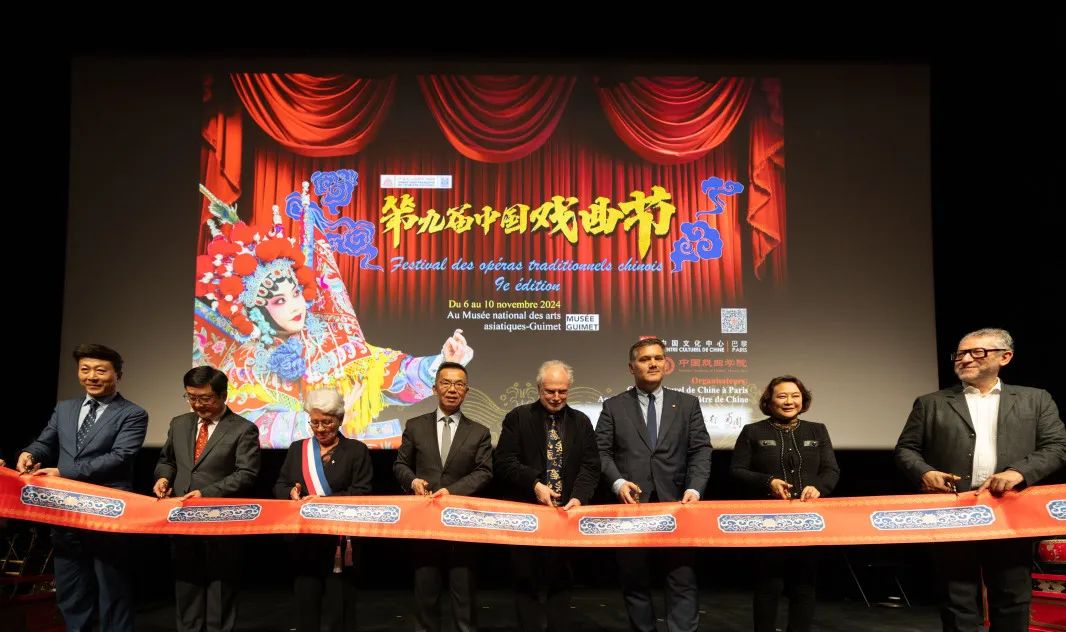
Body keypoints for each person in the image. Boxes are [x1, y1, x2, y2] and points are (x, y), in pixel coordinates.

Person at [193, 189, 473, 448]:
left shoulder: (330, 334)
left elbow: (390, 371)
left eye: (295, 293)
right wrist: (331, 417)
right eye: (279, 301)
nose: (294, 305)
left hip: (354, 459)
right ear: (257, 311)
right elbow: (252, 427)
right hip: (290, 464)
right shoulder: (245, 365)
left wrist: (442, 362)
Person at [895, 327, 1066, 631]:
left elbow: (1056, 447)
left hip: (1010, 509)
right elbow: (907, 449)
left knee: (1012, 593)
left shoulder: (1036, 399)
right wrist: (925, 472)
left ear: (1005, 357)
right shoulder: (931, 402)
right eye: (960, 353)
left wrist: (1020, 472)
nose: (964, 359)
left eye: (977, 352)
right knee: (956, 596)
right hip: (953, 510)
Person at [17, 344, 148, 632]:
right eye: (85, 369)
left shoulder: (133, 414)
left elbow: (119, 457)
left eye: (101, 370)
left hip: (105, 514)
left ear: (118, 374)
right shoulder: (65, 407)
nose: (92, 376)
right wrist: (31, 453)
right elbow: (45, 441)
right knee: (70, 590)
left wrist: (64, 472)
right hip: (64, 514)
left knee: (112, 590)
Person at [596, 337, 712, 632]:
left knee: (682, 578)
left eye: (658, 358)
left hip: (678, 505)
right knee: (634, 580)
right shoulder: (613, 406)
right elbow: (600, 452)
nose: (653, 363)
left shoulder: (687, 403)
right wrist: (618, 482)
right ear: (631, 367)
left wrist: (695, 488)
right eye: (645, 359)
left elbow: (700, 449)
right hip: (631, 506)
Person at [494, 360, 600, 632]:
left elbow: (590, 466)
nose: (556, 397)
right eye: (550, 391)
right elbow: (504, 462)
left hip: (565, 516)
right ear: (539, 388)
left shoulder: (581, 421)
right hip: (526, 516)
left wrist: (579, 496)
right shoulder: (518, 417)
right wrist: (535, 485)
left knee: (562, 582)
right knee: (525, 581)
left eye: (562, 391)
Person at [153, 366, 261, 632]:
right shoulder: (179, 423)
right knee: (186, 584)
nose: (198, 404)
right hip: (182, 519)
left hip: (221, 521)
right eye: (191, 397)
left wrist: (207, 493)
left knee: (220, 588)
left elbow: (247, 473)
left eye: (205, 398)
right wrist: (163, 478)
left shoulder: (243, 429)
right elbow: (167, 460)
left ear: (223, 395)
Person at [731, 375, 840, 632]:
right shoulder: (753, 431)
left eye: (795, 396)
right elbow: (736, 470)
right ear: (769, 401)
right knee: (769, 585)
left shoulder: (818, 429)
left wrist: (819, 488)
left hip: (808, 519)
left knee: (804, 585)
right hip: (768, 520)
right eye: (782, 396)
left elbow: (831, 471)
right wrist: (768, 482)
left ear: (803, 400)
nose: (789, 401)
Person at [393, 361, 493, 632]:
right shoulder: (415, 426)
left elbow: (485, 472)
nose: (452, 389)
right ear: (435, 387)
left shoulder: (480, 432)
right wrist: (413, 480)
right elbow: (400, 465)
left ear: (467, 391)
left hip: (462, 526)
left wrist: (452, 492)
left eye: (459, 384)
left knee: (464, 602)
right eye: (446, 383)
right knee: (425, 599)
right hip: (425, 526)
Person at [274, 389, 373, 632]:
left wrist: (322, 502)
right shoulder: (298, 449)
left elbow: (362, 492)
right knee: (306, 607)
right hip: (304, 541)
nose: (320, 428)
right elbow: (280, 484)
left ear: (339, 419)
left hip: (339, 541)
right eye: (314, 422)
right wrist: (291, 493)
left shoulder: (356, 451)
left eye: (326, 422)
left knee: (339, 608)